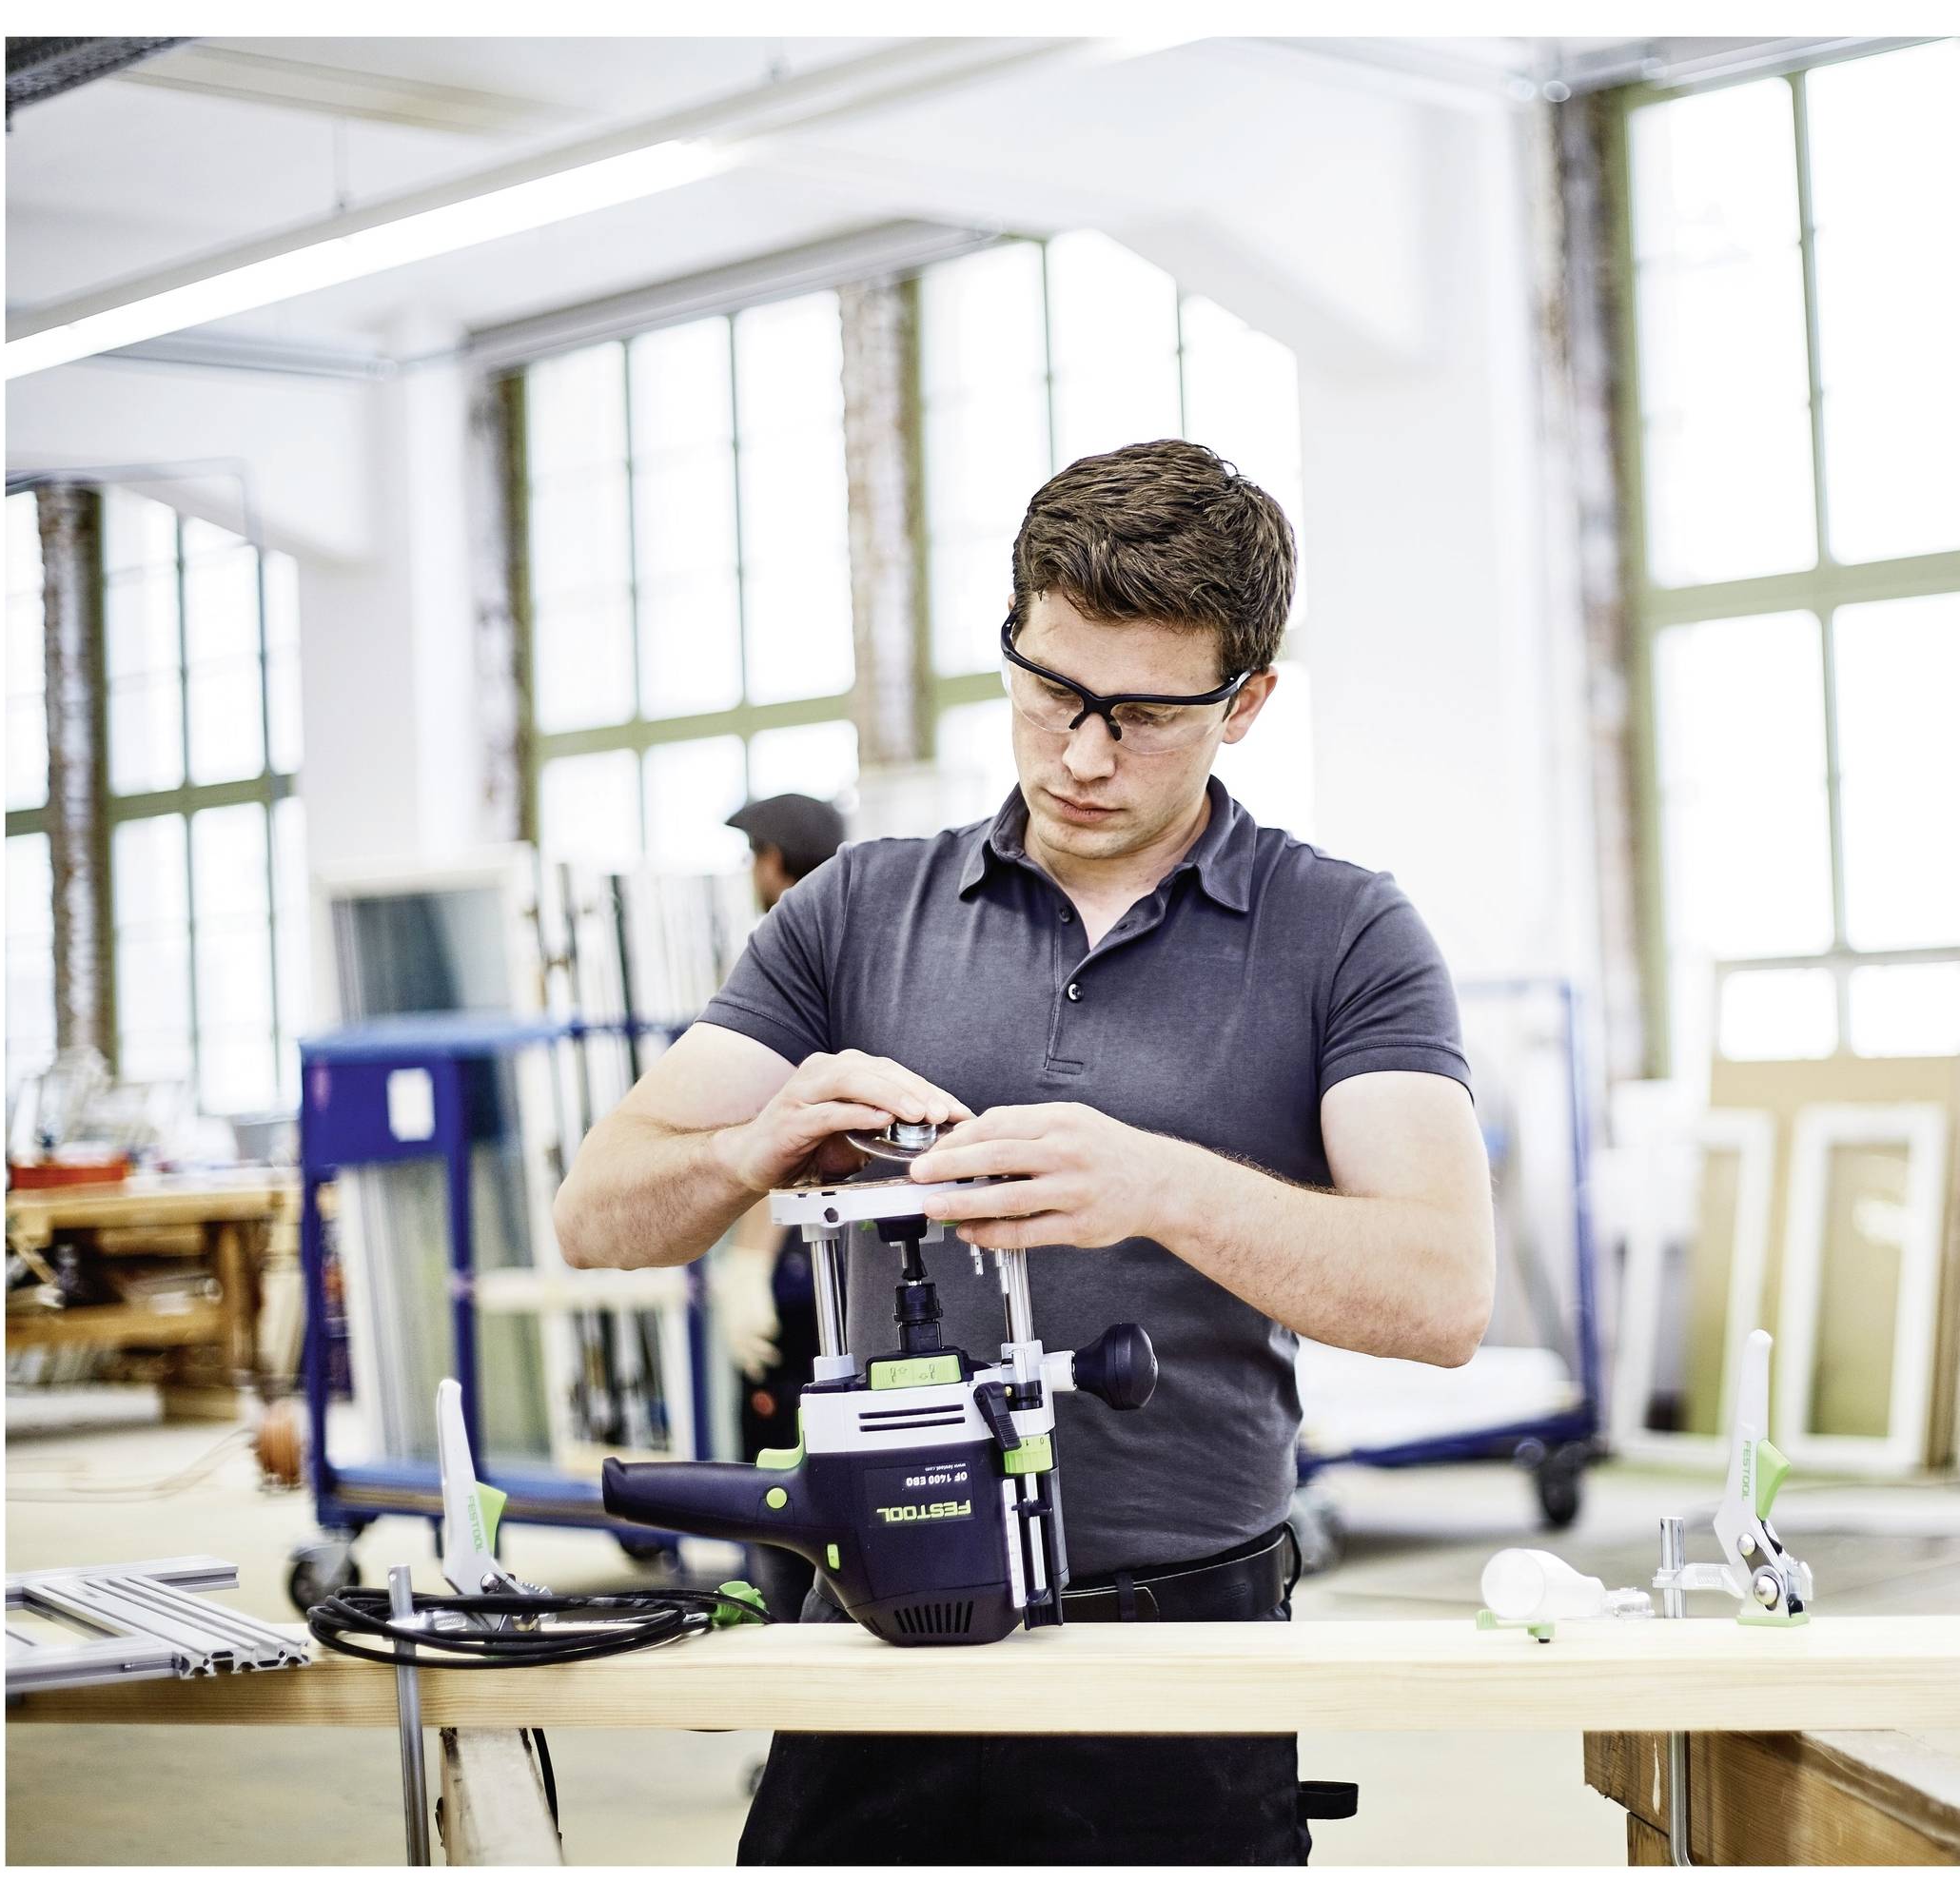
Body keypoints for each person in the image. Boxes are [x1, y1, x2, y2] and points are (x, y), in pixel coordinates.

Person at [552, 439, 1496, 1866]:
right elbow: (594, 1218)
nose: (1083, 753)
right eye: (1053, 691)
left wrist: (1160, 1185)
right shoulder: (859, 910)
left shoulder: (1344, 935)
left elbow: (1440, 1295)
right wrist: (753, 1144)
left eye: (1145, 714)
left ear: (1248, 703)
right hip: (870, 1635)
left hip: (1182, 1647)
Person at [710, 792, 848, 1622]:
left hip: (802, 1277)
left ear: (770, 863)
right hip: (840, 1268)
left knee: (780, 1490)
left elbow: (789, 1132)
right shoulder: (869, 942)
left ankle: (793, 1707)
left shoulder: (792, 955)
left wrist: (750, 1263)